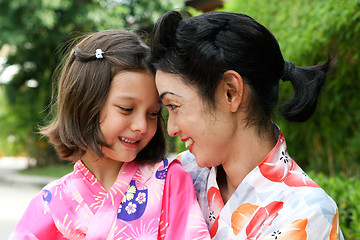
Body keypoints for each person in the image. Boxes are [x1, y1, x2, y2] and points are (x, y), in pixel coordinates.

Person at [152, 10, 344, 239]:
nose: (171, 128)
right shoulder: (178, 173)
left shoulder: (308, 213)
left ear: (230, 92)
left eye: (174, 105)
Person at [10, 30, 210, 239]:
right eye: (126, 108)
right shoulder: (49, 203)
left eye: (153, 113)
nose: (142, 125)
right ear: (85, 104)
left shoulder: (170, 181)